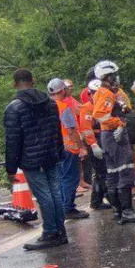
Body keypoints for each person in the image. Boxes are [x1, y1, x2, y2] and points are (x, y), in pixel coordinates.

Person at [5, 68, 69, 251]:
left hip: (31, 159)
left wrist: (11, 168)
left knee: (44, 195)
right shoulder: (50, 103)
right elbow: (57, 130)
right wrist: (59, 152)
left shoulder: (14, 108)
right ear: (33, 81)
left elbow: (13, 140)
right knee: (55, 192)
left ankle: (50, 232)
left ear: (14, 84)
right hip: (51, 155)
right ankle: (60, 230)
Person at [91, 61, 135, 224]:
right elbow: (100, 115)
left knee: (113, 174)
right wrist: (119, 123)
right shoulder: (106, 93)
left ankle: (118, 211)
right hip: (115, 135)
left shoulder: (104, 92)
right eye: (114, 75)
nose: (116, 78)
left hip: (107, 136)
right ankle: (127, 211)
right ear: (108, 77)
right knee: (125, 171)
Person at [48, 78, 89, 221]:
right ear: (63, 90)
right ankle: (68, 208)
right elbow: (71, 130)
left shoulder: (45, 108)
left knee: (60, 179)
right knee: (70, 178)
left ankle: (61, 208)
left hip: (54, 149)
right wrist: (81, 147)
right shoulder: (64, 108)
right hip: (69, 148)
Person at [78, 80, 110, 210]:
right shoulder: (87, 108)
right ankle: (110, 198)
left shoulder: (106, 104)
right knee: (102, 171)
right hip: (96, 141)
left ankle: (96, 201)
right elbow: (86, 128)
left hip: (106, 137)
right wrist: (93, 144)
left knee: (102, 172)